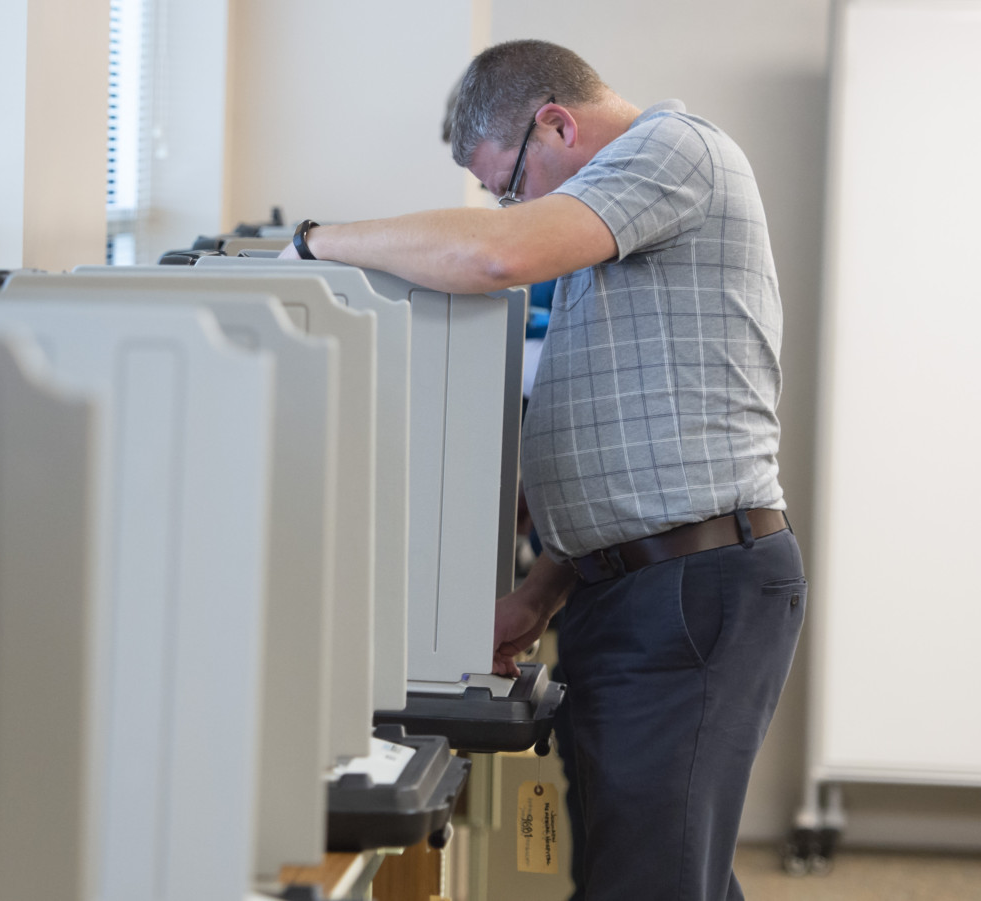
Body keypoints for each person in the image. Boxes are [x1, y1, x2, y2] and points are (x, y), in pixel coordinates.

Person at [281, 38, 806, 901]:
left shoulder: (676, 150)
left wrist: (315, 245)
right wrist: (539, 595)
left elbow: (497, 255)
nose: (509, 208)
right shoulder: (613, 231)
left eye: (509, 186)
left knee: (649, 878)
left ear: (556, 123)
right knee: (651, 866)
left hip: (691, 590)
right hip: (637, 589)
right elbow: (632, 453)